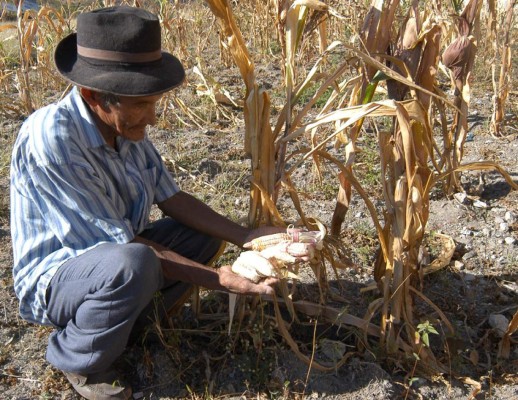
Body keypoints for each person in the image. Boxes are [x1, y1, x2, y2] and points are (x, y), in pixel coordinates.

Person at [10, 6, 292, 400]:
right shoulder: (52, 139)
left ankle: (130, 324)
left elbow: (172, 198)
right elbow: (121, 247)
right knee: (134, 263)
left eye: (153, 102)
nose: (153, 118)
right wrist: (221, 279)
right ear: (94, 96)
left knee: (199, 236)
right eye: (142, 105)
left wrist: (248, 236)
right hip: (59, 276)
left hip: (118, 254)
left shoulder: (121, 126)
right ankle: (79, 360)